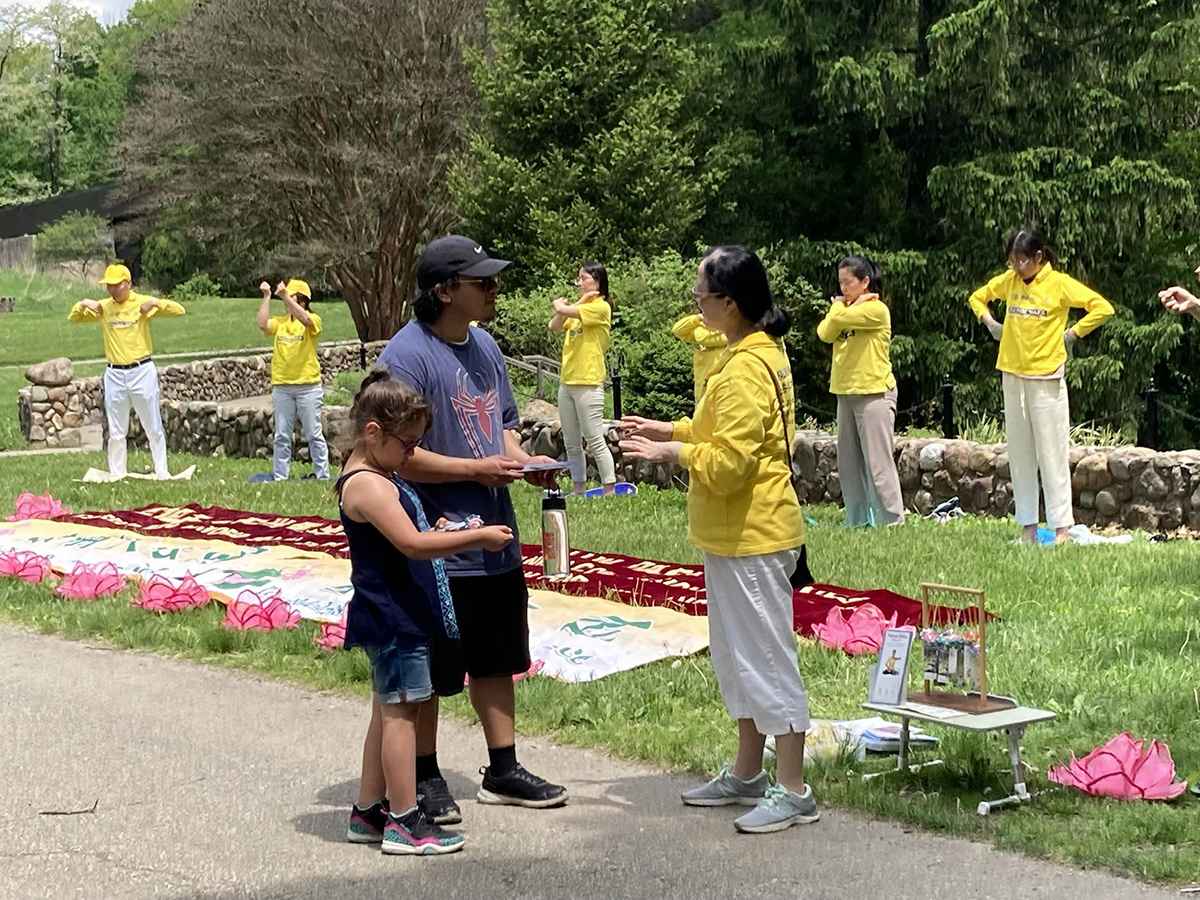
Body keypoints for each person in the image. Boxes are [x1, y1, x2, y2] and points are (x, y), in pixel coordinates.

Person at [620, 245, 818, 834]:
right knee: (736, 659)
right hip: (733, 536)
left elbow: (731, 463)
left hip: (754, 534)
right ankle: (747, 772)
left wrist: (671, 452)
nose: (696, 306)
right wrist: (669, 428)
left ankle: (793, 789)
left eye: (700, 296)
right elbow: (720, 428)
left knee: (767, 660)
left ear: (729, 303)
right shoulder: (748, 353)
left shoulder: (747, 367)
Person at [376, 235, 568, 824]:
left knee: (497, 655)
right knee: (434, 666)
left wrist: (523, 463)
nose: (494, 289)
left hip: (494, 535)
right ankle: (426, 774)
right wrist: (475, 469)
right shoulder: (406, 357)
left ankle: (503, 768)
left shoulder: (486, 346)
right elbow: (397, 455)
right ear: (444, 291)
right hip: (436, 541)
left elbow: (502, 428)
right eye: (481, 281)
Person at [339, 369, 515, 855]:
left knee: (387, 712)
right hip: (393, 616)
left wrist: (438, 527)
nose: (412, 455)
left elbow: (411, 531)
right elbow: (413, 545)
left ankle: (368, 810)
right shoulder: (369, 485)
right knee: (402, 716)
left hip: (398, 613)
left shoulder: (380, 475)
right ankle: (404, 820)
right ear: (373, 433)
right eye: (407, 445)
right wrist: (476, 537)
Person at [968, 226, 1113, 544]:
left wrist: (1073, 333)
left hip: (1046, 377)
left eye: (1022, 261)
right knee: (1020, 455)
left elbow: (1102, 307)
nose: (1017, 267)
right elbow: (977, 297)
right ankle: (1028, 529)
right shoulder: (1009, 281)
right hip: (1012, 374)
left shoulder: (1059, 283)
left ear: (1038, 256)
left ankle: (1062, 529)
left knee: (1052, 453)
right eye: (1012, 261)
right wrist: (990, 323)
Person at [67, 263, 185, 479]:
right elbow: (73, 318)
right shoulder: (104, 307)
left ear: (128, 284)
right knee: (116, 429)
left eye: (116, 285)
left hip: (141, 370)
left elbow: (179, 310)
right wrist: (83, 304)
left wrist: (156, 302)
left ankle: (162, 471)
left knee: (153, 425)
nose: (112, 290)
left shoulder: (141, 303)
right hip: (114, 373)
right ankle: (117, 473)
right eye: (108, 285)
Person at [816, 255, 905, 527]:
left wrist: (837, 308)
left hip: (874, 393)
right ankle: (857, 519)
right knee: (849, 464)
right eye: (840, 283)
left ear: (865, 282)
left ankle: (891, 520)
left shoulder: (876, 310)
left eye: (848, 282)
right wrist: (841, 309)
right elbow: (824, 333)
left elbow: (837, 319)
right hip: (845, 392)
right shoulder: (844, 310)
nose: (843, 288)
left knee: (878, 463)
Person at [548, 261, 617, 496]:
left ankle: (609, 490)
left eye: (583, 278)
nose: (578, 283)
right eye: (578, 278)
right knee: (571, 442)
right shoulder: (581, 309)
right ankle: (579, 491)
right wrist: (576, 303)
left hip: (589, 383)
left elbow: (562, 310)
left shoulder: (601, 307)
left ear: (597, 281)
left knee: (594, 439)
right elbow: (554, 325)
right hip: (567, 382)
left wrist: (561, 305)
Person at [256, 278, 331, 481]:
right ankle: (281, 476)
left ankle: (323, 476)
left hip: (308, 387)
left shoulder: (313, 319)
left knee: (313, 433)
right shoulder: (280, 323)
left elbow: (306, 320)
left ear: (302, 301)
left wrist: (285, 297)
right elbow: (262, 323)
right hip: (282, 387)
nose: (285, 300)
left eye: (291, 296)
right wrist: (267, 296)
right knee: (282, 435)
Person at [671, 312, 727, 403]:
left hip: (724, 389)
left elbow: (703, 339)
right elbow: (677, 329)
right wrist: (697, 318)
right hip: (704, 390)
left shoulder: (731, 330)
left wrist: (700, 323)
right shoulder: (701, 328)